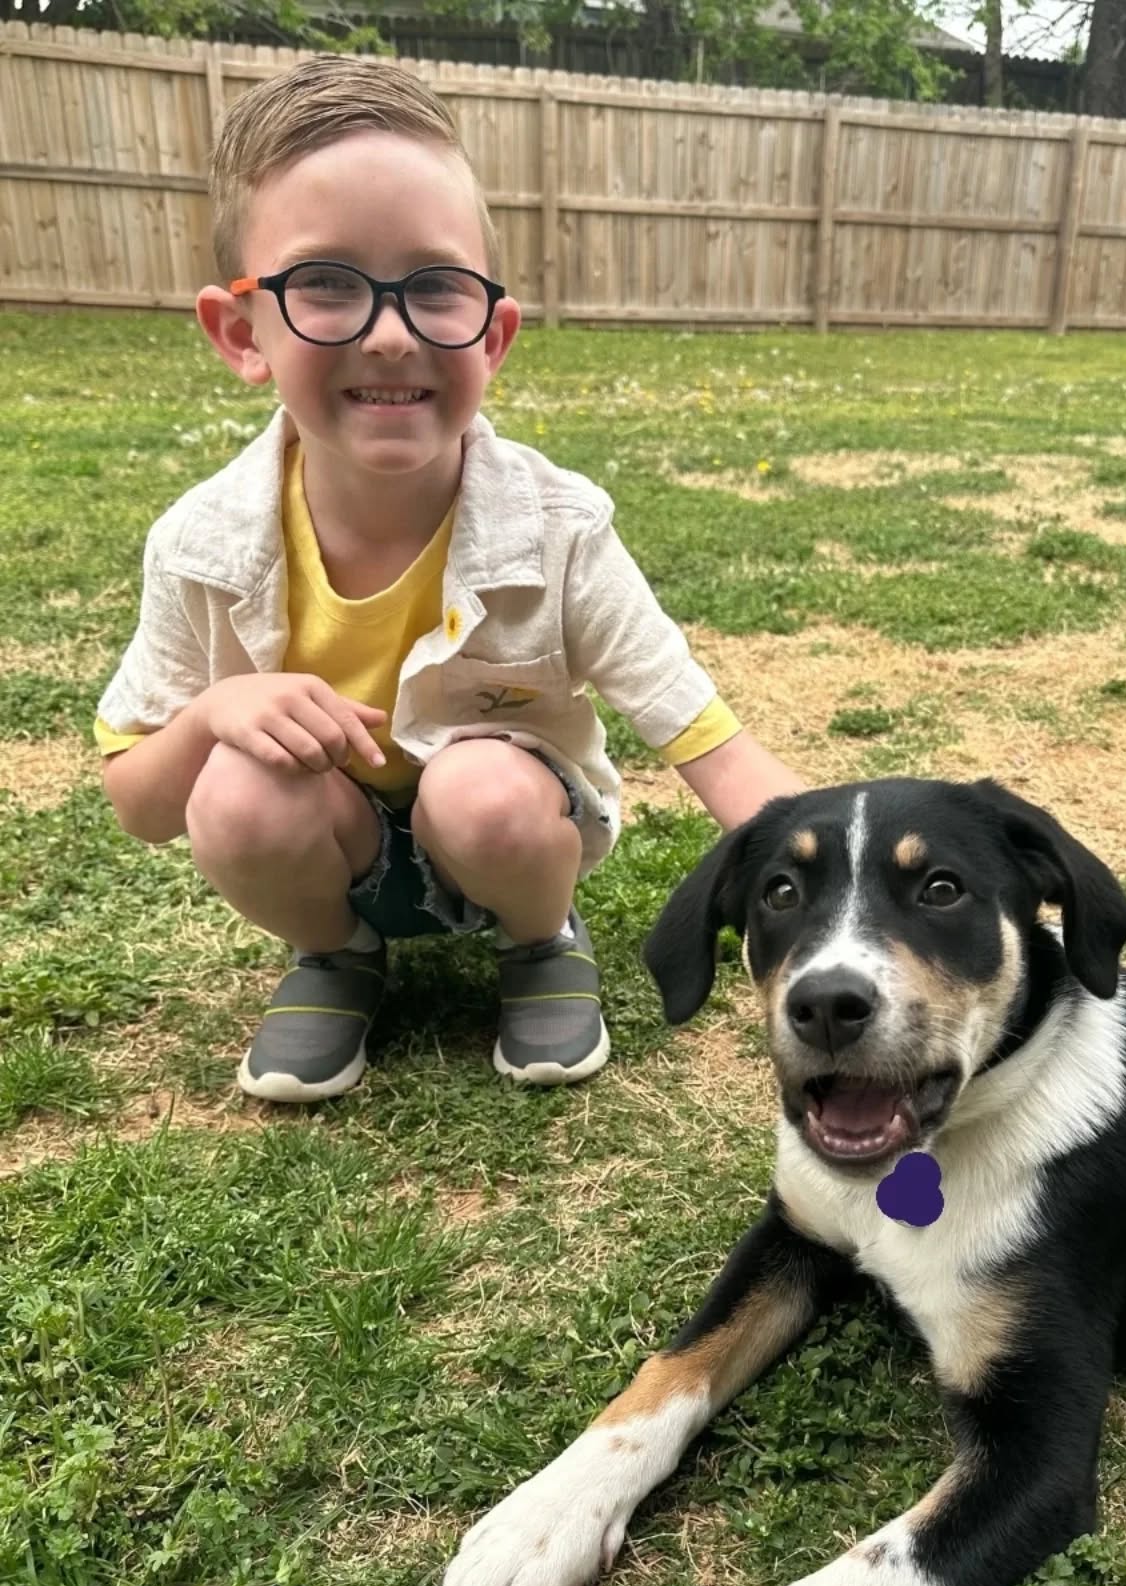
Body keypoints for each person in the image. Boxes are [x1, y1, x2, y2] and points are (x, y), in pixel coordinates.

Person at [95, 56, 803, 1103]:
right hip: (329, 849)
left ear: (495, 333)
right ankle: (335, 957)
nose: (390, 332)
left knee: (481, 787)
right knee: (236, 794)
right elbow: (141, 805)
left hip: (509, 836)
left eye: (436, 285)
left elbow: (703, 735)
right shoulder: (201, 544)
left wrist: (845, 878)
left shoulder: (560, 528)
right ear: (242, 333)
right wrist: (211, 714)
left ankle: (541, 942)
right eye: (325, 284)